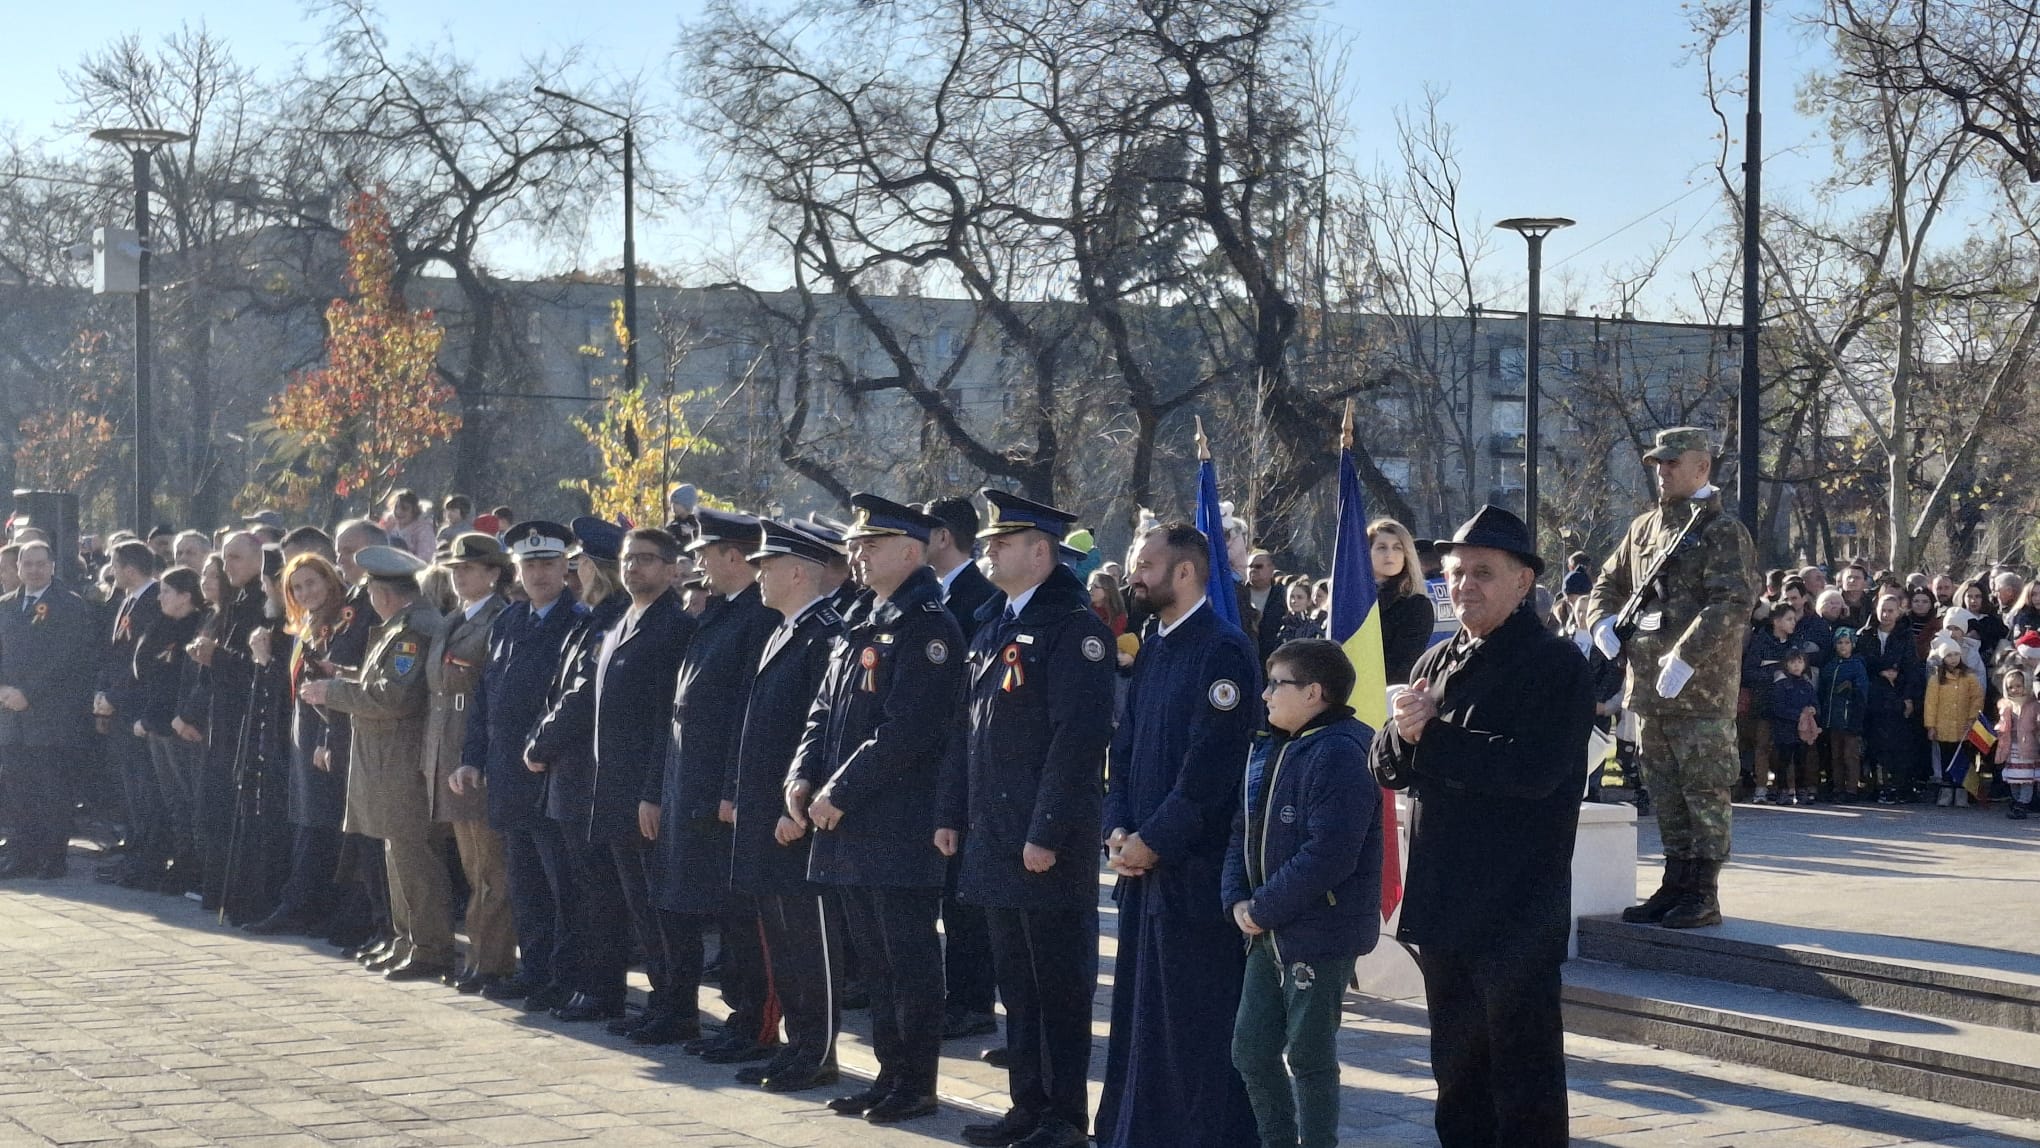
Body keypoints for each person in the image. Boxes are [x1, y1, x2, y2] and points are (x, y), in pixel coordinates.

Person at [1370, 505, 1593, 1148]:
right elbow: (1387, 764)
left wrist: (1431, 737)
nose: (1465, 585)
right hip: (1444, 900)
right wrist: (1403, 732)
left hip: (1514, 906)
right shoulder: (1437, 658)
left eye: (1483, 573)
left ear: (1524, 582)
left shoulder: (1553, 664)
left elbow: (1535, 771)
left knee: (1522, 1080)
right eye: (1456, 572)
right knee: (1457, 1077)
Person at [938, 490, 1116, 1148]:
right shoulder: (994, 624)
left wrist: (1045, 832)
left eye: (1001, 542)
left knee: (1058, 987)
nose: (987, 550)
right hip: (995, 837)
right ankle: (1027, 1105)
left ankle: (1064, 1117)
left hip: (1044, 844)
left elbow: (1076, 742)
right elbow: (969, 732)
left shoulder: (1076, 630)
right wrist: (951, 812)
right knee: (1017, 983)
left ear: (1041, 552)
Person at [785, 494, 964, 1125]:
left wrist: (839, 790)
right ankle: (889, 1076)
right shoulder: (864, 617)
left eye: (872, 544)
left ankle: (915, 1083)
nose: (857, 553)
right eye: (857, 544)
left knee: (907, 961)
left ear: (911, 553)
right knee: (875, 963)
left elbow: (906, 731)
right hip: (848, 824)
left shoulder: (929, 627)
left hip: (896, 823)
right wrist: (802, 775)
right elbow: (823, 711)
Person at [1096, 522, 1262, 1148]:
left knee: (1193, 1022)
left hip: (1192, 875)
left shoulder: (1222, 650)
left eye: (1145, 564)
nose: (1134, 576)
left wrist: (1155, 839)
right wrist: (1116, 827)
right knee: (1143, 1021)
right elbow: (1128, 746)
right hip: (1143, 868)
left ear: (1186, 572)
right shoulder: (1157, 645)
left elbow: (1210, 766)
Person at [1586, 427, 1757, 931]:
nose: (1661, 472)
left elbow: (1731, 602)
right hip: (1649, 687)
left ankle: (1703, 891)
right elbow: (1608, 582)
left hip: (1699, 689)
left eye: (1672, 463)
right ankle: (1675, 881)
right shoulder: (1644, 529)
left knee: (1704, 790)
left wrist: (1686, 656)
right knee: (1663, 788)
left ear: (1702, 468)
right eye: (1658, 464)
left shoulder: (1723, 532)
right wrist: (1600, 622)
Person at [1224, 638, 1380, 1148]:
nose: (1265, 695)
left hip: (1317, 933)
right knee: (1250, 1049)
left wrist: (1263, 908)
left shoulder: (1341, 751)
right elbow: (1241, 830)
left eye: (1277, 683)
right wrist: (1237, 899)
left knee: (1310, 1057)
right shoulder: (1271, 745)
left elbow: (1329, 855)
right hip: (1265, 929)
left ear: (1314, 693)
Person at [647, 510, 778, 1053]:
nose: (697, 562)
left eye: (707, 552)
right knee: (691, 903)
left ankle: (751, 1021)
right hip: (688, 785)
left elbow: (750, 713)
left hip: (720, 795)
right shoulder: (719, 614)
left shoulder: (758, 619)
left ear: (734, 556)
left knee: (738, 916)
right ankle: (708, 1014)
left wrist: (732, 788)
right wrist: (659, 788)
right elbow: (679, 710)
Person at [730, 519, 849, 1093]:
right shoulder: (783, 630)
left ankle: (817, 1049)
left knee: (808, 939)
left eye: (767, 565)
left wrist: (795, 806)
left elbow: (822, 729)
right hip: (767, 813)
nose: (758, 574)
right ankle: (797, 1044)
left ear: (798, 571)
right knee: (783, 939)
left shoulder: (825, 633)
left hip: (795, 820)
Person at [301, 546, 451, 981]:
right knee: (396, 854)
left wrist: (332, 692)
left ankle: (430, 947)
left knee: (413, 857)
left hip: (402, 758)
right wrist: (343, 676)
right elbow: (380, 683)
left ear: (384, 593)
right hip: (388, 758)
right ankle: (408, 940)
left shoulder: (413, 630)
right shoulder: (401, 626)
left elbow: (393, 697)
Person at [455, 521, 589, 1008]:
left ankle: (563, 974)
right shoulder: (509, 622)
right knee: (524, 883)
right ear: (517, 570)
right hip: (509, 773)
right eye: (529, 564)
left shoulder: (579, 620)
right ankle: (534, 970)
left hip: (551, 773)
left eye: (548, 564)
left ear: (565, 568)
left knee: (561, 885)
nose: (538, 573)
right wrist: (472, 758)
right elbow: (486, 699)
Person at [919, 496, 999, 1044]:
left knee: (966, 898)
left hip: (971, 769)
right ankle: (954, 993)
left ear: (943, 536)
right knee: (941, 891)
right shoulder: (931, 597)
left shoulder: (982, 599)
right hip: (935, 772)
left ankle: (972, 1001)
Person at [244, 554, 353, 936]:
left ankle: (305, 905)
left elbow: (331, 688)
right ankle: (302, 903)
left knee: (320, 823)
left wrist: (325, 738)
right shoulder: (306, 625)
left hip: (326, 737)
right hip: (301, 734)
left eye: (312, 583)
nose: (305, 593)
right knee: (306, 821)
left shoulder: (339, 624)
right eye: (297, 587)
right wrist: (265, 659)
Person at [426, 534, 515, 993]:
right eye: (456, 568)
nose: (459, 575)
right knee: (472, 865)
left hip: (475, 754)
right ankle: (480, 958)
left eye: (470, 568)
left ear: (494, 574)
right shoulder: (455, 618)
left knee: (490, 869)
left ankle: (492, 961)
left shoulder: (499, 619)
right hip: (449, 752)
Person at [0, 542, 96, 879]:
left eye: (41, 564)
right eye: (28, 564)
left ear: (53, 566)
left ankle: (52, 857)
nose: (35, 570)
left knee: (51, 789)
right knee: (16, 787)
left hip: (51, 714)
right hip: (10, 713)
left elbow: (66, 660)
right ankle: (21, 851)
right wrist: (4, 689)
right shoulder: (6, 606)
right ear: (19, 566)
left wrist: (29, 693)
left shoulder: (69, 606)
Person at [96, 540, 166, 887]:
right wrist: (102, 693)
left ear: (130, 567)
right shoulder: (128, 599)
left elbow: (141, 662)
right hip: (120, 707)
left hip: (137, 708)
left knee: (145, 788)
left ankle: (147, 859)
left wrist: (116, 696)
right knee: (132, 788)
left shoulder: (153, 601)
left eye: (114, 563)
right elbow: (116, 655)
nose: (110, 569)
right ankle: (135, 853)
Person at [1862, 591, 1924, 803]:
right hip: (1873, 696)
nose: (1886, 615)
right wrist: (1881, 670)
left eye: (1891, 611)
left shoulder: (1905, 636)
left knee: (1898, 744)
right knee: (1875, 744)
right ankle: (1878, 785)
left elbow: (1912, 669)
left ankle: (1899, 786)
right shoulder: (1865, 635)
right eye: (1883, 610)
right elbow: (1863, 662)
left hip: (1896, 697)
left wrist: (1908, 697)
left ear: (1898, 613)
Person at [1370, 518, 1434, 685]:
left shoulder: (1416, 605)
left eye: (1397, 548)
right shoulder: (1349, 601)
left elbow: (1402, 667)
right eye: (1381, 547)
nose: (1389, 555)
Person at [1924, 640, 1985, 807]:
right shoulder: (1936, 679)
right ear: (1943, 658)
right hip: (1944, 728)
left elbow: (1977, 699)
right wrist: (1931, 726)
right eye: (1949, 655)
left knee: (1965, 759)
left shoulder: (1970, 678)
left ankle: (1962, 791)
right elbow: (1930, 704)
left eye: (1956, 654)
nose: (1953, 659)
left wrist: (1973, 718)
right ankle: (1946, 789)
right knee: (1946, 759)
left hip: (1964, 728)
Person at [1818, 628, 1870, 802]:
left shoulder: (1857, 665)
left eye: (1847, 643)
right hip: (1833, 718)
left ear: (1853, 645)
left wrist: (1852, 692)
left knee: (1850, 755)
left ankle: (1851, 789)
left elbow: (1863, 693)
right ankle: (1838, 787)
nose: (1843, 646)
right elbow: (1823, 692)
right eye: (1840, 643)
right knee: (1836, 755)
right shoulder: (1830, 666)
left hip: (1850, 718)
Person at [1766, 650, 1820, 805]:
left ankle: (1801, 790)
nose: (1796, 666)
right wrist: (1798, 716)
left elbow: (1815, 704)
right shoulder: (1781, 685)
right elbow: (1778, 708)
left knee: (1802, 761)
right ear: (1786, 665)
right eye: (1792, 662)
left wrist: (1813, 710)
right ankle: (1783, 791)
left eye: (1800, 662)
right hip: (1785, 730)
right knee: (1783, 761)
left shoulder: (1807, 685)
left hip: (1802, 733)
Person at [1995, 666, 2037, 819]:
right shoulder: (2006, 705)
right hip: (2011, 746)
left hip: (2028, 746)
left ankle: (2023, 803)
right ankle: (2016, 799)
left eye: (2018, 686)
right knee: (2013, 777)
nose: (2014, 690)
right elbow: (2002, 724)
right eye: (2010, 687)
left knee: (2027, 778)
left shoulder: (2033, 705)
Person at [1244, 550, 1287, 660]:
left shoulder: (1282, 595)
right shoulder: (1237, 593)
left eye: (1258, 566)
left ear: (1271, 568)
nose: (1253, 570)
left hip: (1272, 656)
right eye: (1250, 566)